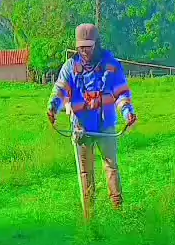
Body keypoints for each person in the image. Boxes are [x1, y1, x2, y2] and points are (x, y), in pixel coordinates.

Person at [47, 23, 137, 220]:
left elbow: (122, 93)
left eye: (88, 46)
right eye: (81, 47)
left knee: (111, 166)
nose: (84, 51)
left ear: (97, 43)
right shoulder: (70, 66)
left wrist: (128, 112)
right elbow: (60, 89)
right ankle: (90, 216)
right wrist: (53, 107)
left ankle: (118, 209)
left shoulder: (111, 65)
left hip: (106, 126)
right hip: (81, 128)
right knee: (85, 172)